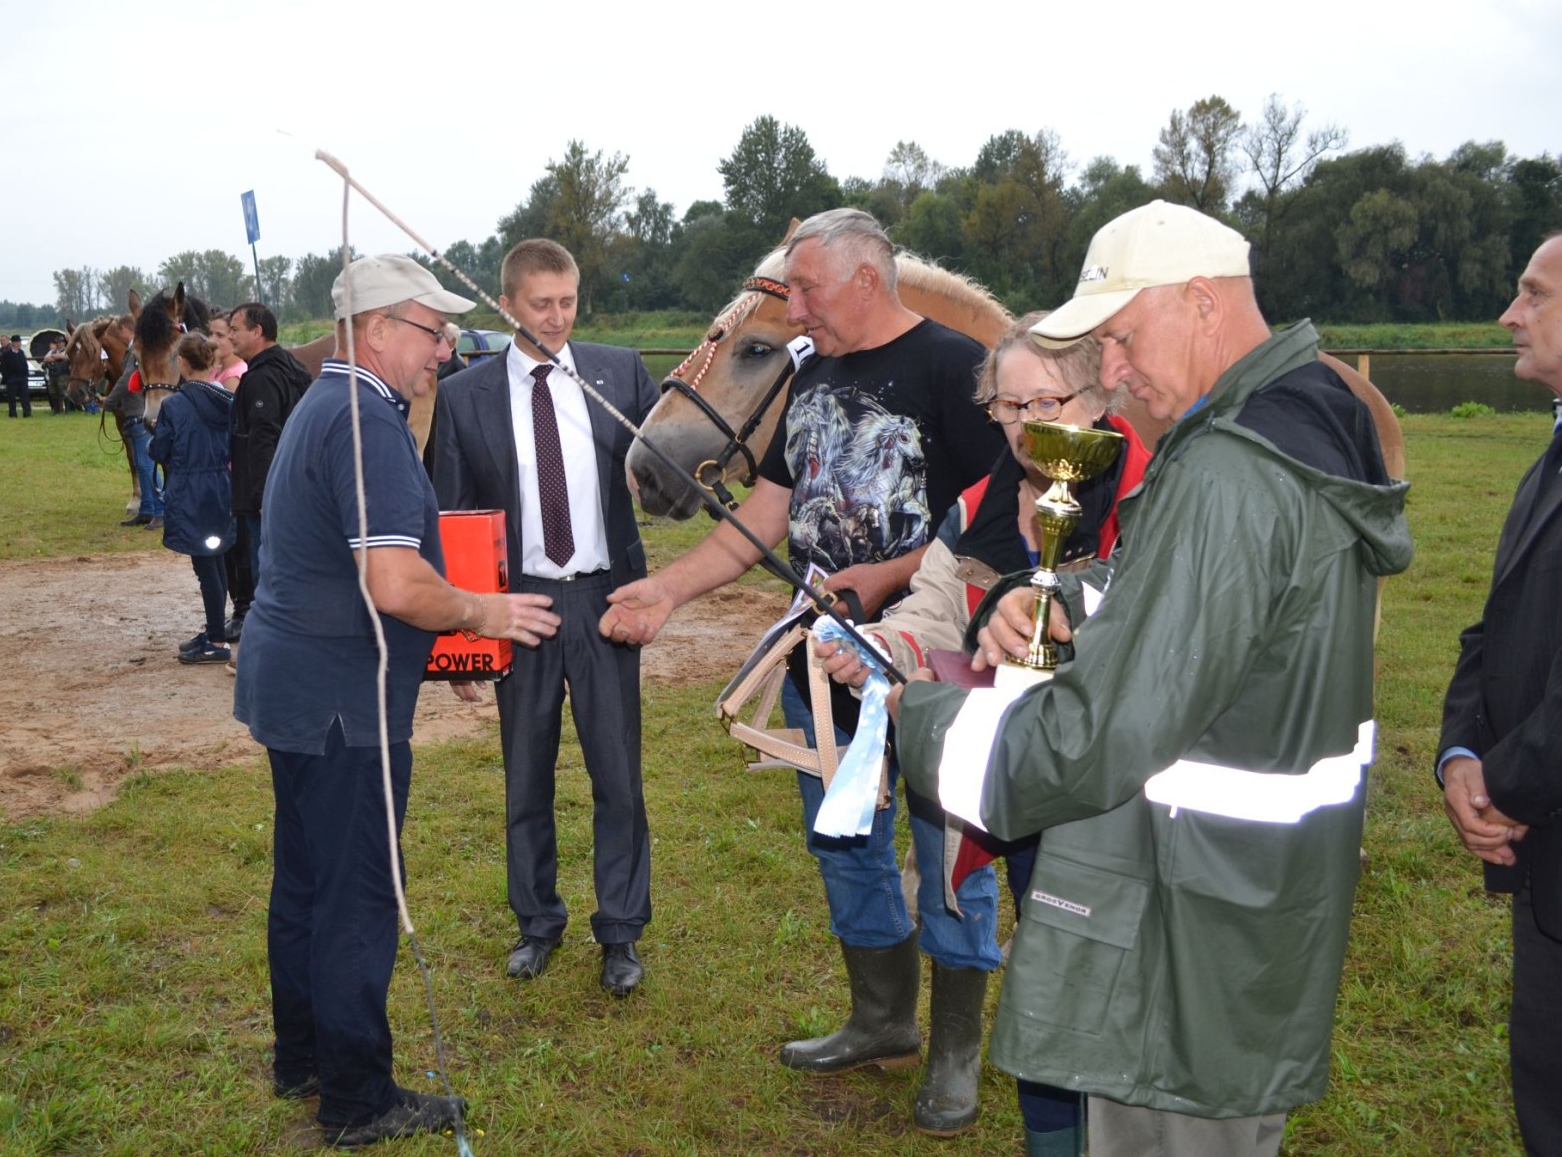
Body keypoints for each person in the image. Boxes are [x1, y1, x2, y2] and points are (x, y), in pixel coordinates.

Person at [888, 200, 1411, 1157]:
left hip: (1183, 931)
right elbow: (1202, 603)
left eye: (1123, 338)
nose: (1115, 372)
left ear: (1203, 303)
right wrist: (1064, 594)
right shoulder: (1291, 424)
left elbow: (1099, 739)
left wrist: (919, 718)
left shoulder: (1229, 470)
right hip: (1245, 904)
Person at [600, 210, 1005, 1073]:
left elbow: (991, 524)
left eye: (808, 289)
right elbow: (767, 512)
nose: (795, 309)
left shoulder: (957, 368)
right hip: (819, 661)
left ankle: (955, 1054)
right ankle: (882, 1019)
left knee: (950, 853)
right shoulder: (811, 374)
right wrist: (668, 589)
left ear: (866, 279)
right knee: (844, 842)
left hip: (934, 662)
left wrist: (887, 577)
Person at [234, 254, 560, 1147]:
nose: (445, 348)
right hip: (343, 703)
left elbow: (355, 573)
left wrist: (444, 650)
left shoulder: (328, 404)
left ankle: (304, 1058)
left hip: (300, 689)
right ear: (377, 330)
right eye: (433, 330)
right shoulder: (366, 421)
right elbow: (393, 582)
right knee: (357, 897)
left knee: (307, 882)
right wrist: (483, 613)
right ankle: (356, 1098)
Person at [816, 312, 1148, 1150]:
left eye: (1047, 402)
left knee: (1092, 982)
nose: (1026, 425)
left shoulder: (1154, 498)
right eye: (1007, 406)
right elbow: (931, 611)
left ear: (1100, 393)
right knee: (1043, 985)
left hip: (1108, 802)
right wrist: (878, 646)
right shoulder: (975, 506)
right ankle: (1047, 1131)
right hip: (1003, 773)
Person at [432, 239, 662, 995]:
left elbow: (668, 472)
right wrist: (464, 634)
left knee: (618, 777)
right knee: (525, 776)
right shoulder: (464, 396)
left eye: (567, 301)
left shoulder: (620, 373)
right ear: (507, 305)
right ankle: (537, 923)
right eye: (541, 304)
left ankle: (620, 931)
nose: (558, 317)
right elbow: (453, 521)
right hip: (516, 606)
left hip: (603, 601)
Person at [1439, 232, 1562, 1157]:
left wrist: (1506, 786)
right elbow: (1499, 620)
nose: (1508, 315)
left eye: (1534, 294)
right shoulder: (1551, 451)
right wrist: (1459, 755)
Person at [149, 332, 236, 666]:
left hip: (191, 489)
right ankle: (216, 631)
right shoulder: (227, 399)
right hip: (221, 484)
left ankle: (216, 641)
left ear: (182, 363)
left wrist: (156, 434)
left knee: (206, 567)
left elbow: (161, 450)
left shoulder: (175, 405)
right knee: (217, 561)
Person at [229, 302, 310, 599]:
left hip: (267, 499)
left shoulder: (262, 377)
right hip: (295, 489)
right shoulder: (293, 368)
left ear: (257, 331)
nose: (231, 336)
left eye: (235, 330)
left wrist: (263, 497)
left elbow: (263, 438)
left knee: (267, 575)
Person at [105, 359, 163, 528]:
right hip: (135, 412)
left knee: (146, 465)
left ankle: (161, 510)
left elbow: (126, 379)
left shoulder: (136, 351)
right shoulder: (135, 351)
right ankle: (147, 509)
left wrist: (109, 401)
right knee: (140, 464)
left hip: (139, 412)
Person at [0, 335, 32, 418]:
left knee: (25, 397)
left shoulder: (21, 352)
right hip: (12, 379)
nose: (20, 344)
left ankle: (27, 413)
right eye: (18, 342)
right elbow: (3, 367)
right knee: (11, 398)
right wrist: (7, 378)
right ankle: (12, 414)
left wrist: (25, 376)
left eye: (20, 342)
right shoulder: (7, 354)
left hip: (22, 378)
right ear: (14, 343)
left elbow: (25, 365)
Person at [41, 337, 70, 414]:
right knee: (53, 392)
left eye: (60, 342)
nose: (59, 344)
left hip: (63, 374)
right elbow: (46, 359)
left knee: (64, 392)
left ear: (64, 343)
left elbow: (65, 358)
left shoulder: (67, 351)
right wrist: (56, 357)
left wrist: (55, 357)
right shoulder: (52, 351)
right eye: (57, 343)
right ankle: (56, 410)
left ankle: (67, 410)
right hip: (53, 374)